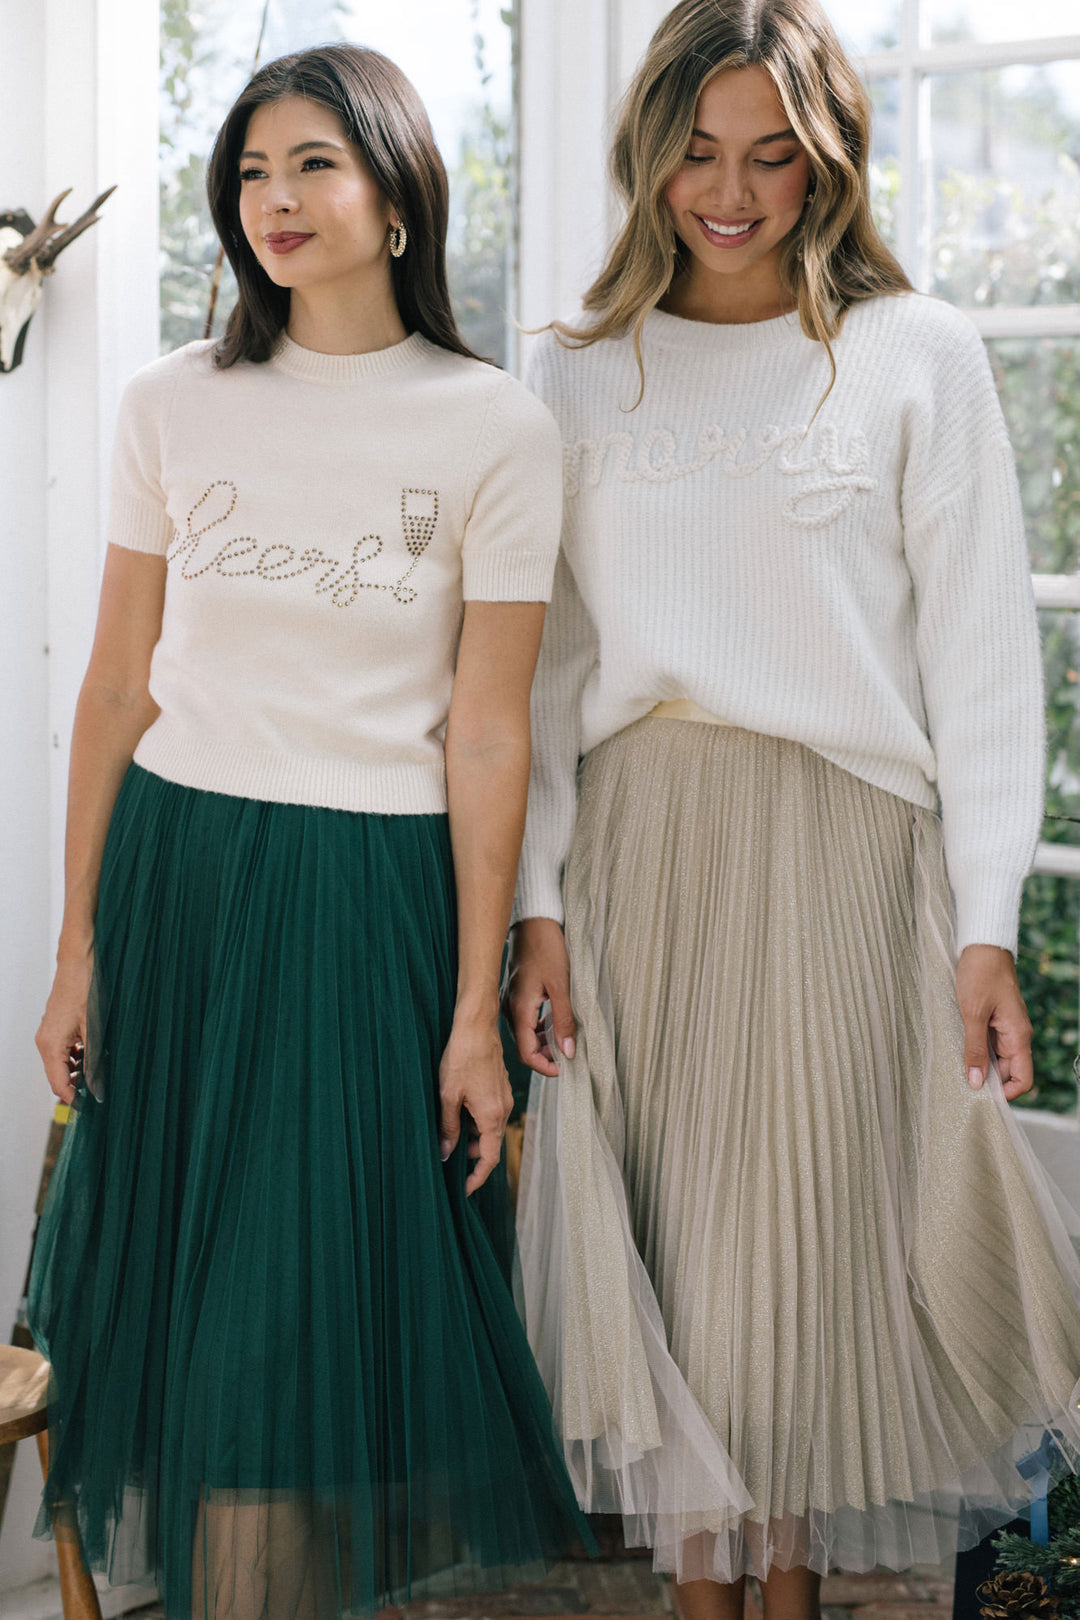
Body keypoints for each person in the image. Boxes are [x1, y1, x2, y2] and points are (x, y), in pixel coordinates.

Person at [504, 4, 1080, 1618]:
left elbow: (980, 661)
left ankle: (795, 1595)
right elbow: (540, 673)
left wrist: (985, 925)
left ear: (828, 163)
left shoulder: (920, 355)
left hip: (844, 853)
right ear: (648, 156)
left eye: (771, 154)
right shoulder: (569, 372)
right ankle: (707, 1598)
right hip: (639, 856)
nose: (732, 189)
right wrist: (537, 904)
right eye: (696, 151)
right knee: (679, 1273)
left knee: (810, 1269)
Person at [30, 43, 591, 1620]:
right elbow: (117, 691)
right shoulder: (172, 403)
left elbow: (491, 732)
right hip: (182, 880)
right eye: (252, 175)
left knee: (305, 1324)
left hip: (368, 899)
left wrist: (471, 1010)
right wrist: (76, 949)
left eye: (314, 167)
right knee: (191, 1312)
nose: (275, 201)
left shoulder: (494, 427)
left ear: (398, 194)